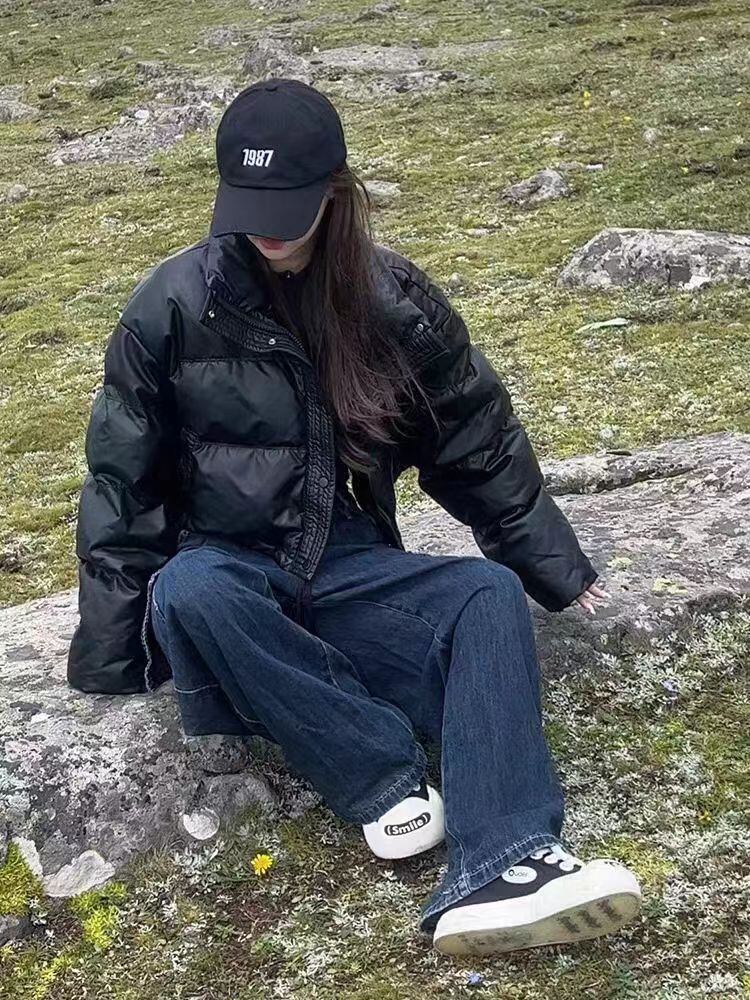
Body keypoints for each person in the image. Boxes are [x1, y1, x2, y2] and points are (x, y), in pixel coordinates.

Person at [66, 76, 642, 957]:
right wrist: (112, 654)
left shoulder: (392, 298)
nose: (266, 228)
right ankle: (382, 780)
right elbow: (121, 482)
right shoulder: (170, 305)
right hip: (228, 576)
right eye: (249, 205)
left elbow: (474, 436)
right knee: (190, 589)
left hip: (345, 559)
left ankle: (508, 860)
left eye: (287, 206)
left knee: (486, 595)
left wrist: (552, 565)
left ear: (336, 191)